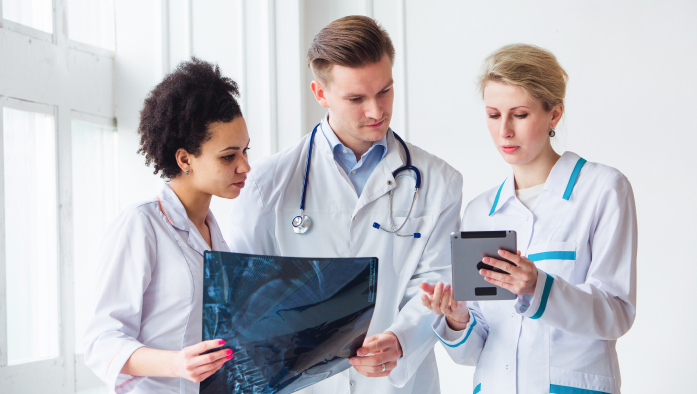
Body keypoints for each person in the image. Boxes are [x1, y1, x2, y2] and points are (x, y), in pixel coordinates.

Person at [226, 15, 462, 394]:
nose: (376, 110)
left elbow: (437, 282)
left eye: (384, 91)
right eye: (356, 98)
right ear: (321, 94)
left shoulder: (439, 182)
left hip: (395, 383)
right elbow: (244, 296)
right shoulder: (266, 183)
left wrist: (399, 341)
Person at [421, 44, 637, 394]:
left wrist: (539, 287)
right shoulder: (480, 212)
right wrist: (457, 318)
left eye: (519, 115)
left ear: (554, 115)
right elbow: (474, 351)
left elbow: (616, 314)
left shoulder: (603, 189)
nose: (504, 130)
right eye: (493, 115)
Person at [83, 58, 251, 393]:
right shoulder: (140, 226)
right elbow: (101, 342)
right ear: (185, 159)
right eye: (228, 156)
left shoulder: (218, 237)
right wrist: (177, 363)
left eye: (246, 151)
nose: (245, 166)